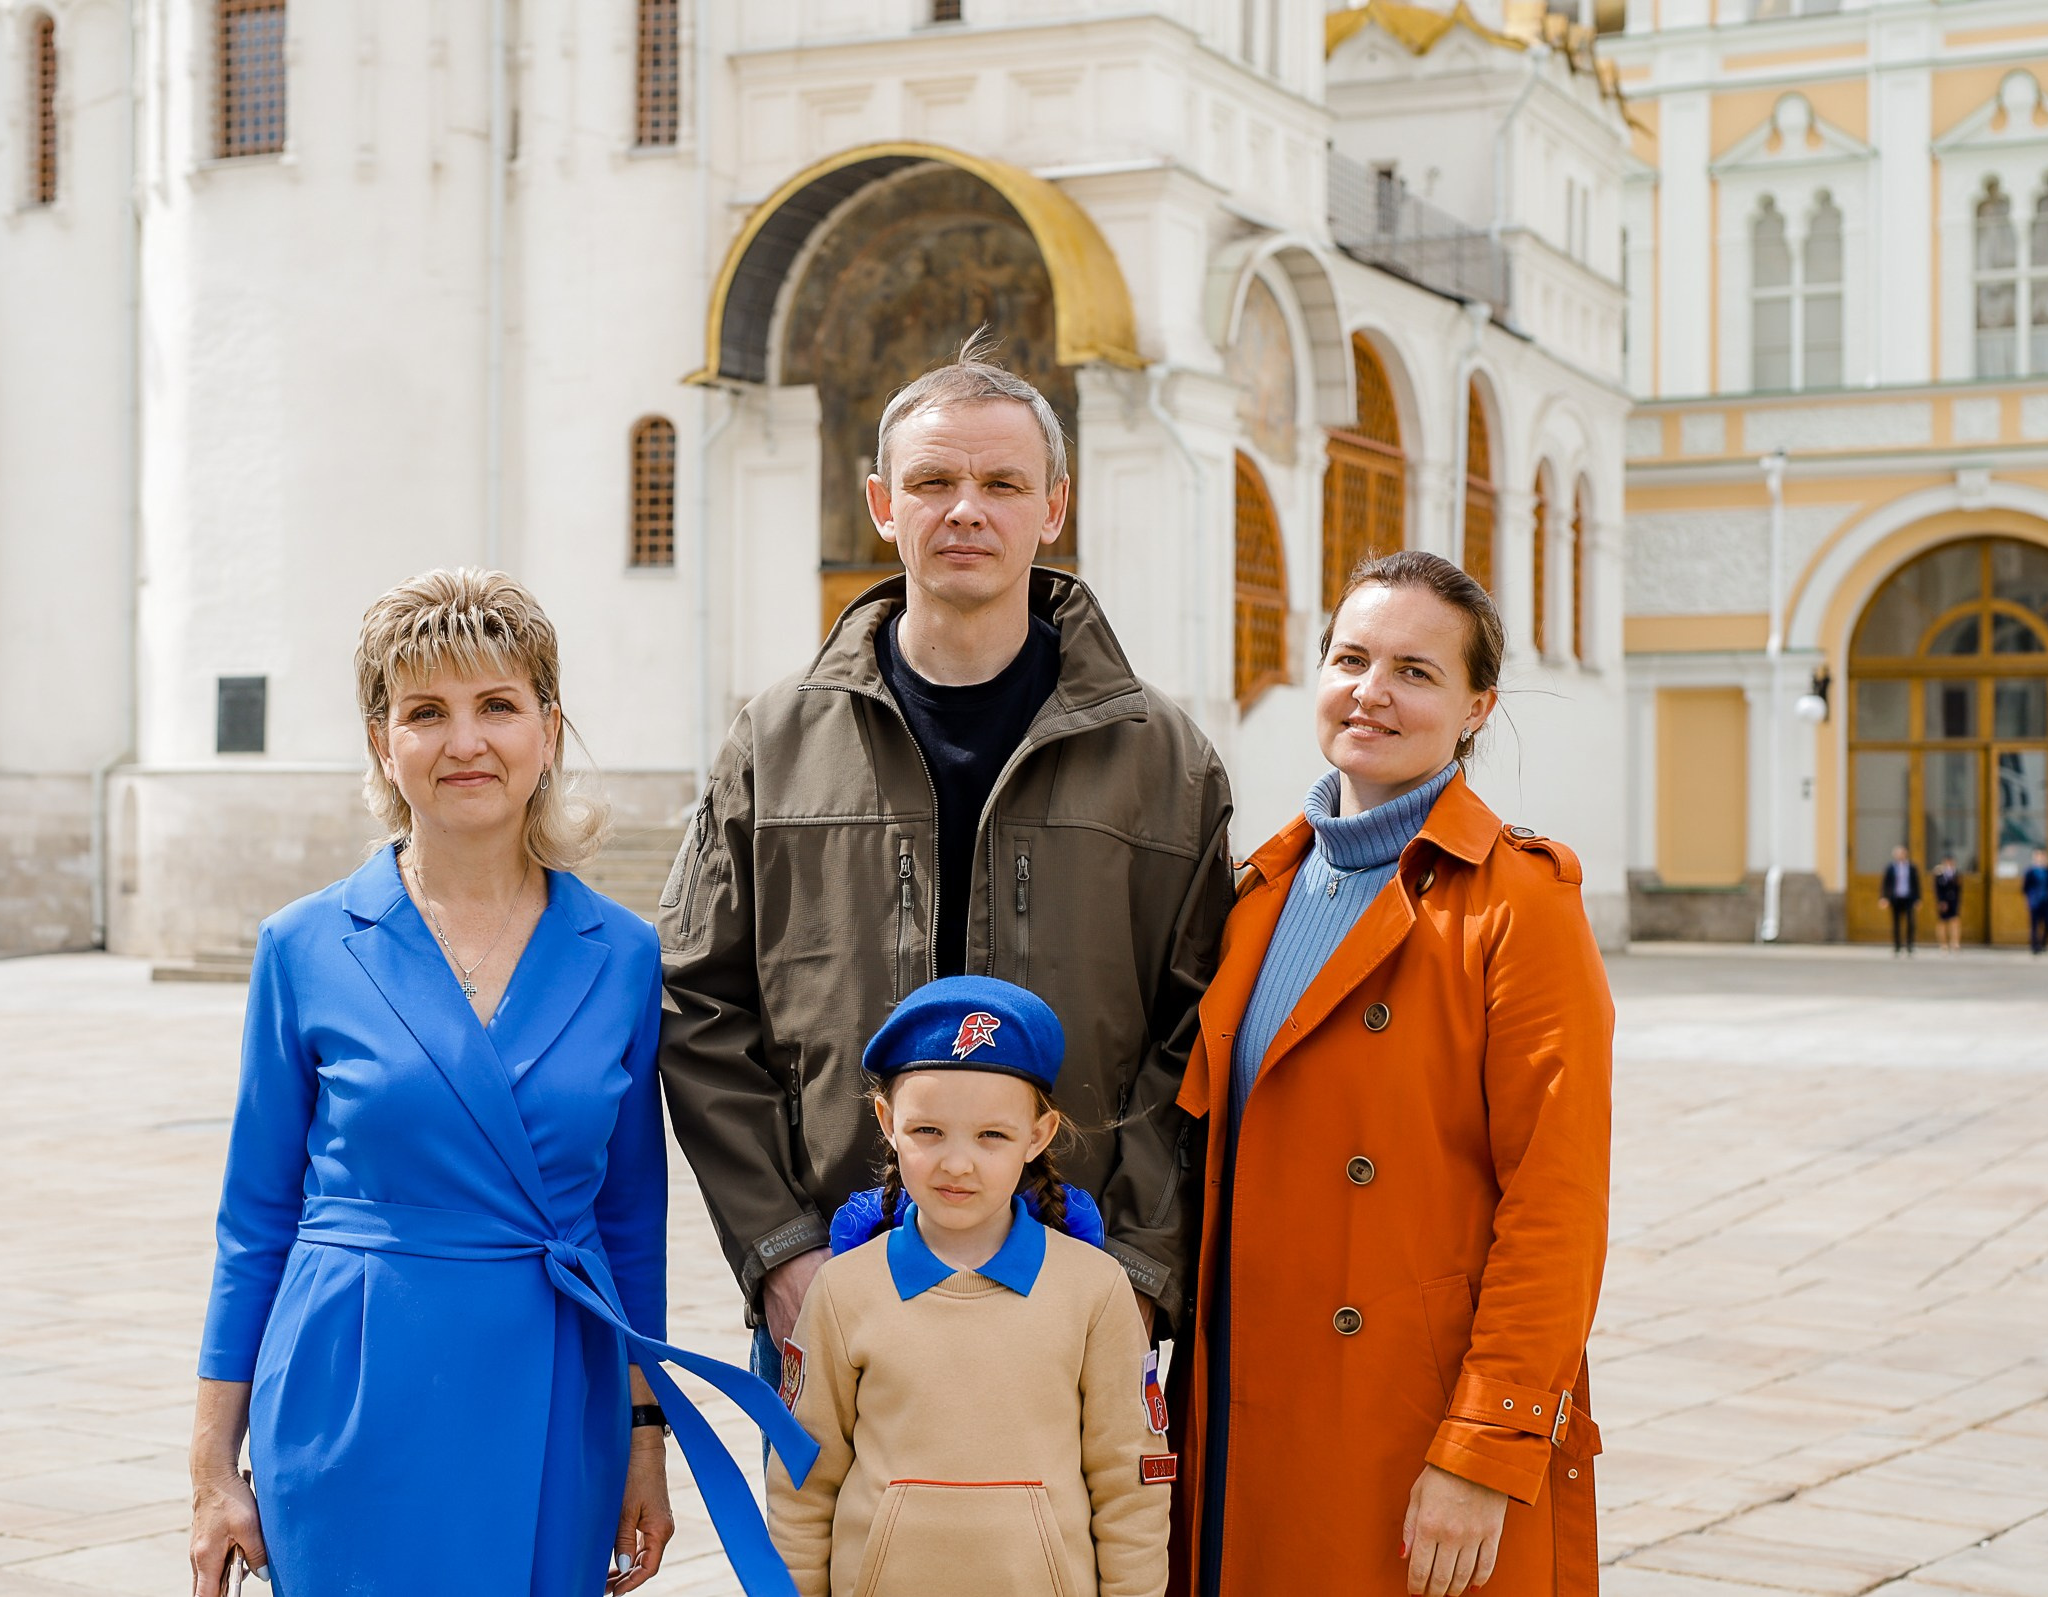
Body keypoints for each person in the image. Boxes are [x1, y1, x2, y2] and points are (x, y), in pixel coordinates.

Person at [188, 569, 814, 1597]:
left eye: (497, 706)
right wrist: (212, 1467)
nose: (464, 741)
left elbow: (628, 1223)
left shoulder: (621, 956)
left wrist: (645, 1442)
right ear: (383, 743)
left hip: (553, 1383)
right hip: (352, 1387)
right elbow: (252, 1223)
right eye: (425, 712)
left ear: (548, 730)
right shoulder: (303, 946)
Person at [659, 332, 1235, 1398]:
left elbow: (1197, 1037)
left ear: (1052, 507)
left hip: (1075, 1289)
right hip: (839, 1291)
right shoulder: (775, 744)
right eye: (933, 481)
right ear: (883, 502)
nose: (966, 508)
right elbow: (699, 1011)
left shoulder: (1162, 759)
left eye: (1002, 482)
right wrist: (780, 1255)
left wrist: (1138, 1276)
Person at [1176, 552, 1612, 1597]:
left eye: (1416, 671)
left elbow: (1555, 1207)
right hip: (1241, 1402)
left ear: (1476, 707)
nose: (1372, 691)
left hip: (1406, 1424)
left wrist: (1485, 1444)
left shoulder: (1518, 904)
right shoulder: (1255, 890)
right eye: (1351, 657)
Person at [767, 976, 1170, 1597]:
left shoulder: (1095, 1291)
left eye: (992, 1136)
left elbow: (1130, 1483)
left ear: (1037, 1137)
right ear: (888, 1122)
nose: (958, 1163)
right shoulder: (843, 1293)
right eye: (928, 1131)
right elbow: (803, 1481)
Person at [1879, 844, 1922, 955]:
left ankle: (1910, 944)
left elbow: (1916, 884)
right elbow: (1885, 884)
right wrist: (1884, 897)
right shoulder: (1890, 868)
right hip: (1895, 898)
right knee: (1896, 923)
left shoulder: (1911, 867)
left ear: (1906, 854)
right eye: (1898, 854)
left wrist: (1918, 899)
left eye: (1902, 853)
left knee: (1910, 922)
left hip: (1908, 898)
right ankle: (1897, 945)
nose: (1900, 856)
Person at [2023, 847, 2048, 954]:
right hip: (2035, 901)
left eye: (2042, 856)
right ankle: (2034, 946)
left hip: (2045, 900)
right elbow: (2025, 887)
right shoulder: (2030, 871)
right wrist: (2030, 898)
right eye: (2038, 856)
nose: (2040, 858)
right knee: (2034, 925)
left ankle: (2043, 942)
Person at [1932, 855, 1963, 952]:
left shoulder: (1956, 874)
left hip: (1953, 900)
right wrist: (1941, 901)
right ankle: (1943, 943)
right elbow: (1937, 890)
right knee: (1942, 922)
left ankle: (1955, 942)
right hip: (1943, 901)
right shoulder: (1939, 874)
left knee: (1955, 921)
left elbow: (1959, 889)